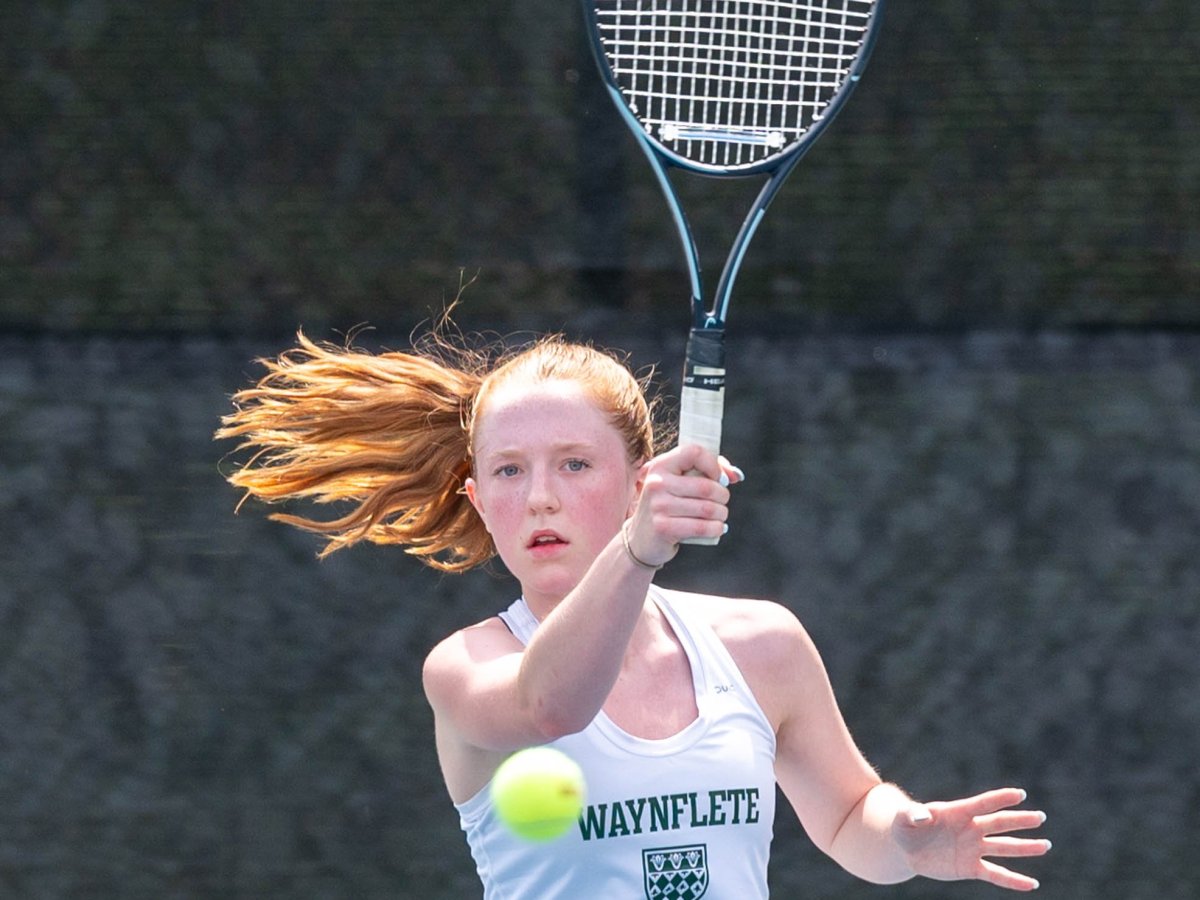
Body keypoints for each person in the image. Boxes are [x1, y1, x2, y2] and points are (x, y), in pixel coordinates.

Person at [217, 326, 1051, 897]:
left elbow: (845, 816)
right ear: (477, 501)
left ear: (638, 480)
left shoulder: (762, 645)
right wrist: (638, 550)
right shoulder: (467, 668)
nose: (540, 497)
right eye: (508, 471)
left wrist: (905, 835)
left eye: (575, 464)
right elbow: (551, 706)